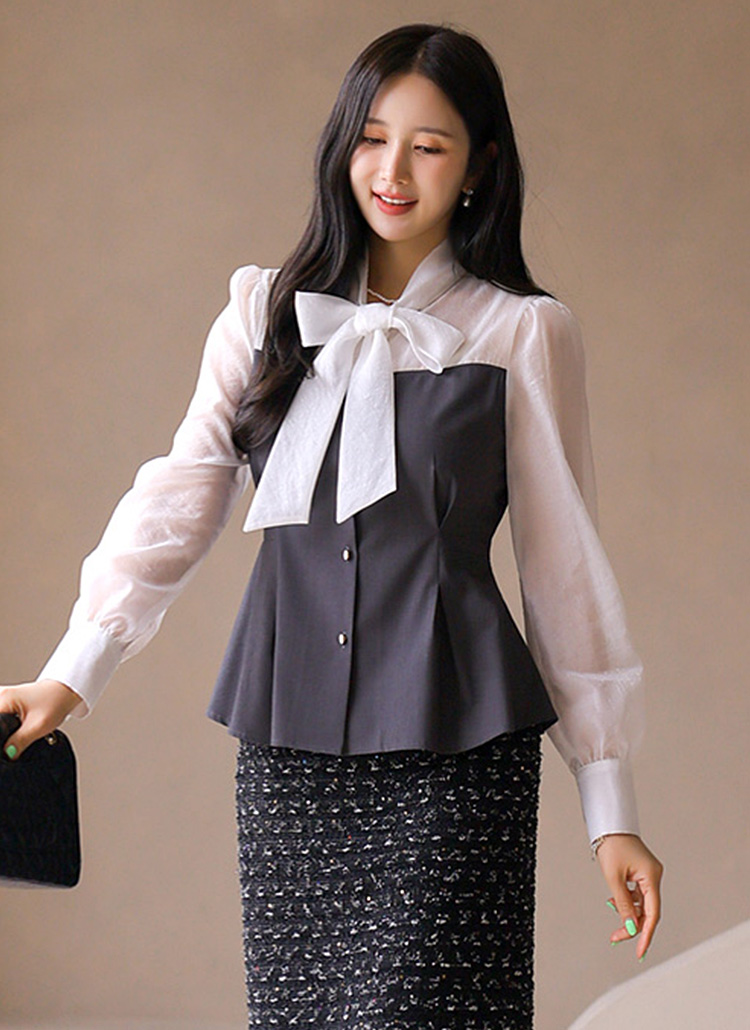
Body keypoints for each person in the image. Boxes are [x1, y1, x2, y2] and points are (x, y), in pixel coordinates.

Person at [1, 22, 662, 1030]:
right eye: (372, 138)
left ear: (480, 166)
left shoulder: (522, 330)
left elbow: (563, 568)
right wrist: (72, 671)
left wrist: (609, 807)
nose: (391, 172)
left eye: (428, 147)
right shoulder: (262, 312)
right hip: (289, 753)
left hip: (456, 753)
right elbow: (182, 493)